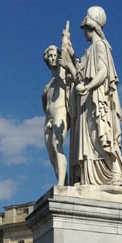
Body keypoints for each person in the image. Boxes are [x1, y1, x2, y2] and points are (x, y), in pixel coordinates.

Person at [60, 6, 122, 186]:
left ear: (90, 25)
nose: (83, 32)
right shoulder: (89, 50)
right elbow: (80, 74)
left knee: (98, 136)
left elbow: (103, 72)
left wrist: (88, 87)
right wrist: (69, 55)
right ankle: (87, 177)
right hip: (87, 102)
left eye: (84, 27)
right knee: (89, 142)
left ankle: (113, 172)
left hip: (96, 99)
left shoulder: (100, 46)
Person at [42, 45, 72, 186]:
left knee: (57, 145)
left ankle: (60, 184)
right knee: (52, 156)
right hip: (48, 118)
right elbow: (45, 106)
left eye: (54, 55)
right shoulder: (50, 83)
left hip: (61, 113)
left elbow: (75, 69)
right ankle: (64, 183)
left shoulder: (64, 75)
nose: (53, 58)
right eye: (50, 56)